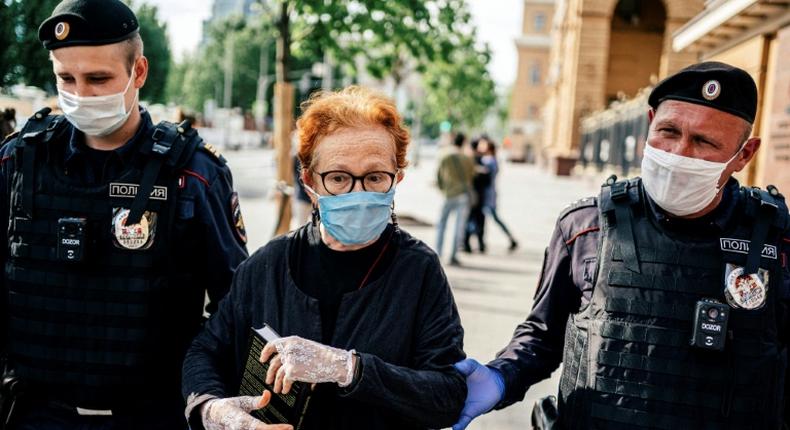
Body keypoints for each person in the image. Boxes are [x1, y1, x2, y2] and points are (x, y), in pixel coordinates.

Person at [453, 62, 790, 429]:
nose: (679, 152)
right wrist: (501, 377)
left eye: (704, 142)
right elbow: (542, 338)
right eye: (669, 131)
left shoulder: (778, 242)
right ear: (648, 124)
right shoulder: (585, 227)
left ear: (744, 154)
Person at [0, 0, 248, 428]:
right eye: (66, 78)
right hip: (34, 415)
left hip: (152, 417)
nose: (80, 94)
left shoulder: (194, 173)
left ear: (139, 73)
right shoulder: (19, 161)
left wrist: (209, 400)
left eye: (98, 78)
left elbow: (237, 308)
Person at [182, 86, 467, 430]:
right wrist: (212, 409)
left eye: (375, 177)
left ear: (397, 179)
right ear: (308, 182)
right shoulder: (268, 265)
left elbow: (448, 396)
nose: (357, 193)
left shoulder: (418, 271)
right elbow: (206, 350)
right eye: (338, 178)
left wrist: (349, 368)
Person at [436, 132, 475, 265]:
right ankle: (453, 255)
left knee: (442, 224)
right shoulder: (467, 158)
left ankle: (438, 252)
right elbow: (471, 176)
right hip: (462, 195)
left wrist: (442, 188)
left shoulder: (444, 155)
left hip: (448, 194)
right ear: (463, 142)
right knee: (458, 226)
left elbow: (439, 175)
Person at [479, 138, 518, 251]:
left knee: (490, 218)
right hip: (492, 193)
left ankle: (510, 238)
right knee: (493, 218)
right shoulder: (494, 160)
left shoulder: (488, 160)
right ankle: (510, 238)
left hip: (487, 194)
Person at [463, 137, 491, 254]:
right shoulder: (479, 160)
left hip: (471, 194)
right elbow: (487, 180)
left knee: (470, 219)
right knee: (478, 219)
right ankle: (479, 243)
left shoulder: (468, 160)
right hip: (478, 195)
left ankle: (467, 244)